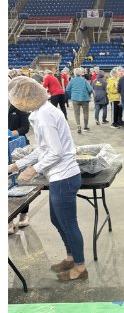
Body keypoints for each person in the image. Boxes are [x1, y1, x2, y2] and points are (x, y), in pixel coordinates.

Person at [8, 76, 87, 282]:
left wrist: (33, 169)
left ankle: (80, 267)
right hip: (59, 177)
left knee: (68, 223)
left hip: (64, 177)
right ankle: (71, 257)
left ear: (23, 98)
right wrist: (16, 165)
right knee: (57, 219)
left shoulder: (44, 116)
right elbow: (42, 149)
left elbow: (55, 152)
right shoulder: (41, 111)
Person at [66, 68, 93, 134]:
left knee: (76, 113)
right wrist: (88, 94)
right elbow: (90, 89)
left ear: (75, 73)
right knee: (86, 113)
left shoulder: (72, 81)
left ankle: (78, 126)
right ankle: (86, 127)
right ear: (81, 73)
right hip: (85, 99)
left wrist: (73, 93)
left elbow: (67, 90)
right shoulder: (84, 80)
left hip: (75, 99)